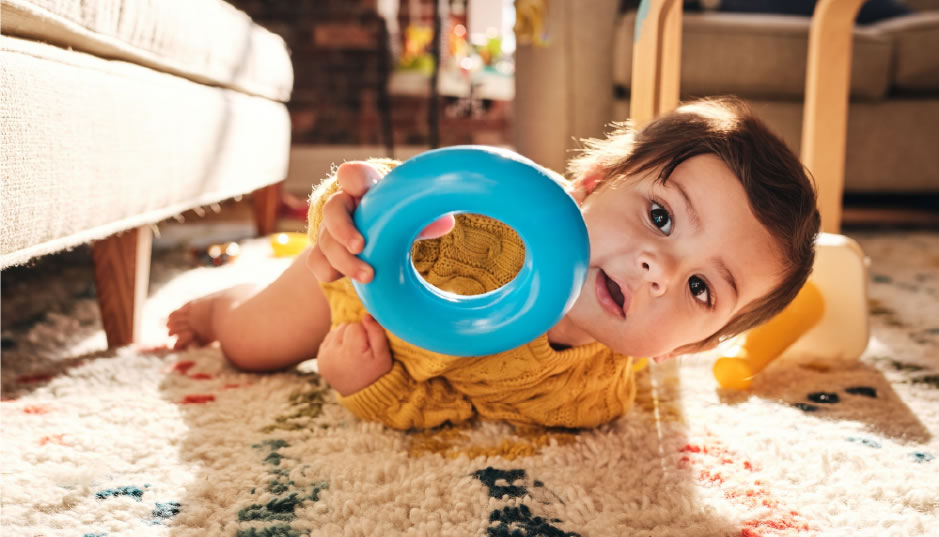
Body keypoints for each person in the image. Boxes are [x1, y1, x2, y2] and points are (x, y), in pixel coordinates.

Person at [167, 97, 820, 430]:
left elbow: (451, 407)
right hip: (353, 283)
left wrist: (368, 387)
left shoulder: (584, 400)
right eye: (660, 217)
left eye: (701, 288)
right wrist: (357, 204)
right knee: (246, 342)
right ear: (591, 183)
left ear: (686, 348)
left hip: (374, 346)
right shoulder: (498, 219)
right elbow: (389, 200)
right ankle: (222, 300)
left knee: (274, 353)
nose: (660, 270)